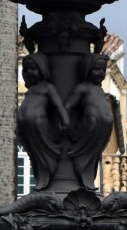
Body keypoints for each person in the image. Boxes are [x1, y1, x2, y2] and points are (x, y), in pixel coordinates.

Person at [17, 51, 70, 190]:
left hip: (40, 127)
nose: (29, 72)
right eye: (26, 69)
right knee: (35, 156)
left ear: (42, 68)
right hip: (28, 130)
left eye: (33, 68)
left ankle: (49, 176)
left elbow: (58, 105)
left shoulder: (47, 87)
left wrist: (65, 119)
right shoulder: (31, 90)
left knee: (43, 157)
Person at [63, 50, 115, 189]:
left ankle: (88, 178)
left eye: (103, 70)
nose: (101, 73)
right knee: (87, 159)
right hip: (89, 129)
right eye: (97, 69)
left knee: (94, 158)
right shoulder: (82, 88)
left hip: (101, 132)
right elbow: (68, 106)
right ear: (87, 69)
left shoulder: (99, 90)